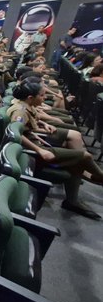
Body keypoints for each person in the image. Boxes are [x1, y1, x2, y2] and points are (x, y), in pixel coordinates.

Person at [7, 80, 103, 219]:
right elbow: (16, 134)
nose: (44, 98)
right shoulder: (19, 112)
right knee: (86, 157)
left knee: (78, 161)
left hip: (39, 142)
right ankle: (98, 176)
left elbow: (29, 124)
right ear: (30, 98)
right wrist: (40, 150)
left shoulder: (26, 106)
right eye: (42, 95)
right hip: (35, 150)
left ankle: (73, 200)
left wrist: (43, 123)